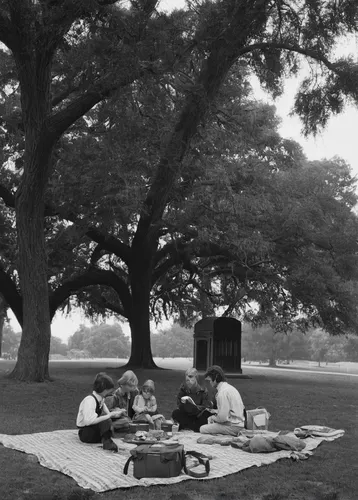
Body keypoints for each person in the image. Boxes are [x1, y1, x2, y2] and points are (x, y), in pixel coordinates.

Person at [76, 372, 120, 451]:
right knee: (105, 421)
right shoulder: (90, 400)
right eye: (108, 390)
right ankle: (107, 441)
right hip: (86, 433)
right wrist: (108, 416)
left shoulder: (100, 398)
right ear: (103, 389)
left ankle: (106, 437)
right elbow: (89, 421)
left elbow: (103, 406)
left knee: (109, 420)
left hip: (93, 428)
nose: (110, 392)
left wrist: (111, 414)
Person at [200, 365, 245, 436]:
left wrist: (212, 418)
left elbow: (222, 418)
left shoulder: (222, 393)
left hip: (233, 426)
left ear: (216, 378)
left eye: (210, 380)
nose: (210, 383)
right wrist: (215, 411)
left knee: (202, 428)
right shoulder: (229, 388)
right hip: (239, 423)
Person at [172, 367, 213, 432]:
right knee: (175, 413)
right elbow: (179, 403)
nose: (188, 379)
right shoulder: (183, 389)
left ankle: (188, 427)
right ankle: (193, 427)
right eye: (186, 377)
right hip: (187, 415)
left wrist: (195, 407)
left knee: (206, 416)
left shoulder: (203, 390)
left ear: (196, 377)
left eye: (190, 376)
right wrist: (185, 406)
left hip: (198, 416)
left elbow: (206, 407)